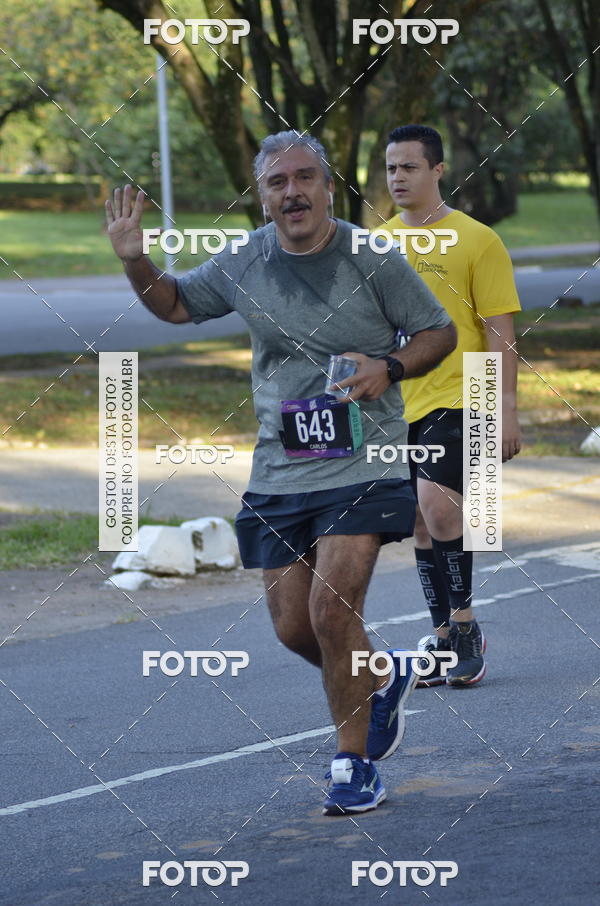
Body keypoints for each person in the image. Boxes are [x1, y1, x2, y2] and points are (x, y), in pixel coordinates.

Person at [105, 130, 456, 814]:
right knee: (294, 627)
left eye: (305, 178)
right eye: (277, 183)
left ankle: (351, 763)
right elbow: (174, 304)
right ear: (263, 198)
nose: (293, 192)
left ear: (327, 186)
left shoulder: (370, 258)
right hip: (282, 467)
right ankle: (381, 678)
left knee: (332, 611)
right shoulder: (245, 261)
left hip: (365, 456)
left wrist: (390, 367)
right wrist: (136, 261)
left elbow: (436, 330)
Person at [383, 124, 521, 687]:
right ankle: (441, 635)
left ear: (437, 170)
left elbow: (499, 329)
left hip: (463, 393)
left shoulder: (477, 239)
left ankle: (465, 630)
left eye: (409, 167)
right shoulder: (379, 242)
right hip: (399, 402)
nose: (398, 178)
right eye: (391, 168)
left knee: (439, 508)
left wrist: (506, 409)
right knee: (418, 517)